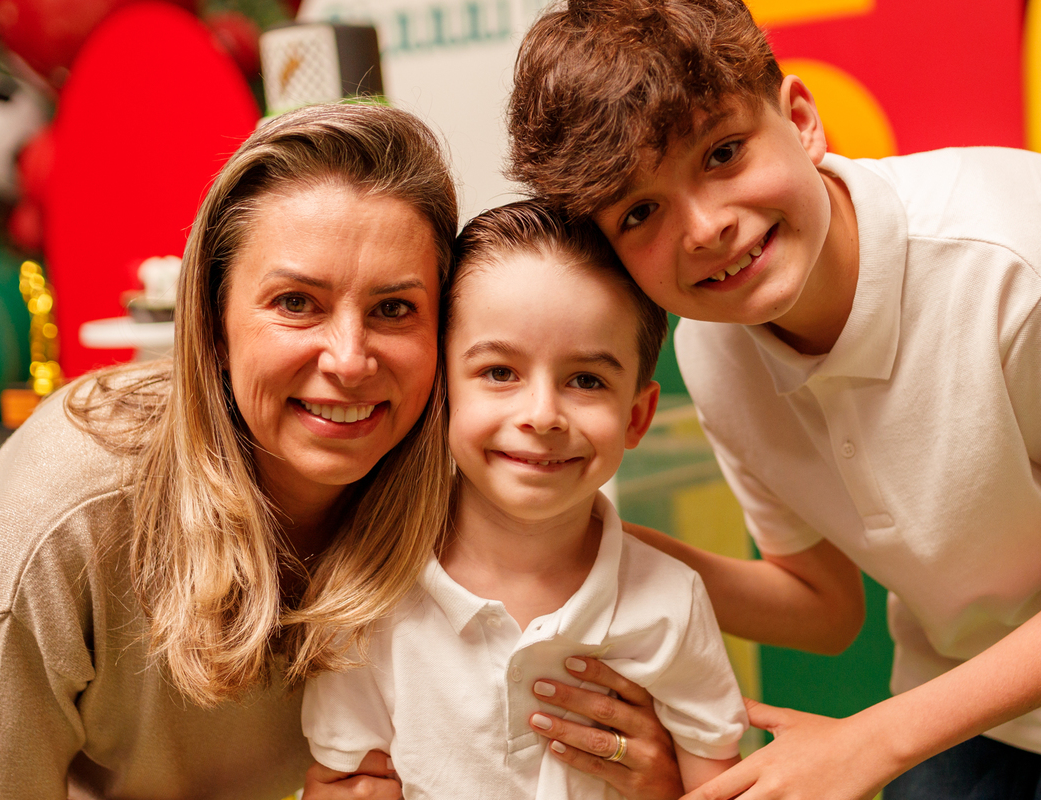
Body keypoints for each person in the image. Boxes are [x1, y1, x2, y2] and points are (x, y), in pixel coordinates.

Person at [505, 1, 1041, 799]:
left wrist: (874, 739)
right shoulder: (714, 343)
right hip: (959, 699)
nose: (705, 229)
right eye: (640, 212)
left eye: (723, 153)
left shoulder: (1026, 262)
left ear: (800, 120)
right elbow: (824, 607)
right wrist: (584, 540)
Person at [0, 102, 463, 800]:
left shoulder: (454, 476)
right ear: (214, 326)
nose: (349, 359)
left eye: (394, 309)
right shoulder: (69, 501)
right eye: (297, 302)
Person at [301, 200, 748, 798]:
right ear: (441, 388)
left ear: (636, 417)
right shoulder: (365, 599)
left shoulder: (671, 604)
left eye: (586, 380)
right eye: (499, 372)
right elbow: (344, 781)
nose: (541, 415)